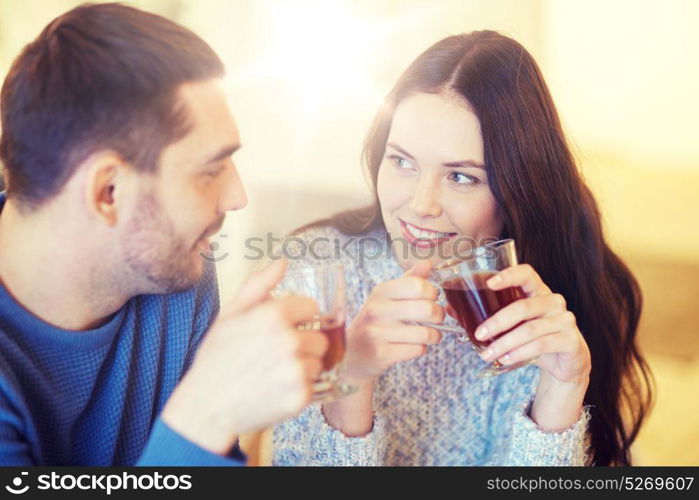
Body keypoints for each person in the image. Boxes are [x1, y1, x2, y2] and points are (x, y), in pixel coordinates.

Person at [272, 30, 653, 466]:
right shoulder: (316, 272)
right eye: (401, 161)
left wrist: (564, 388)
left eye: (461, 177)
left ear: (518, 189)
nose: (420, 205)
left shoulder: (568, 296)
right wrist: (352, 376)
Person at [0, 3, 328, 466]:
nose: (237, 197)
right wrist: (205, 411)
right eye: (210, 170)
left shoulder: (176, 276)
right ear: (108, 192)